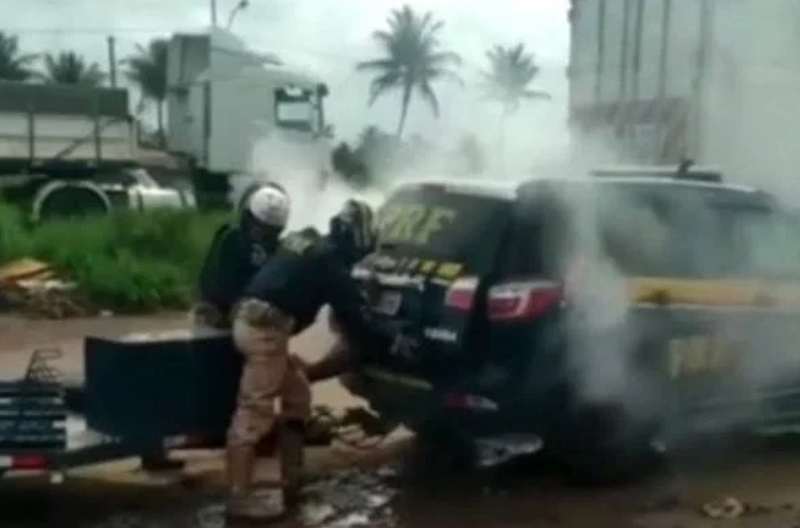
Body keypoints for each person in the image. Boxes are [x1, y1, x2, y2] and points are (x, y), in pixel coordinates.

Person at [224, 199, 405, 521]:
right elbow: (357, 318)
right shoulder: (330, 263)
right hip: (265, 332)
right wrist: (393, 336)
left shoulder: (307, 238)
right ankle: (238, 498)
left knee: (298, 396)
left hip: (254, 319)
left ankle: (292, 481)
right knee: (254, 414)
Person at [140, 182, 291, 473]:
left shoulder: (260, 244)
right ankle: (194, 435)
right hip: (218, 318)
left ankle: (228, 433)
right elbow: (214, 283)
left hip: (241, 321)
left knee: (244, 384)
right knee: (209, 380)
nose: (265, 233)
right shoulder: (233, 239)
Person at [191, 182, 292, 330]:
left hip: (252, 317)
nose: (261, 233)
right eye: (258, 226)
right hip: (220, 314)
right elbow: (215, 284)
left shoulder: (279, 249)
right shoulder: (231, 238)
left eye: (268, 230)